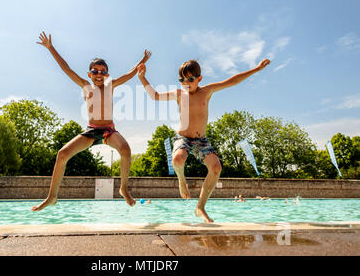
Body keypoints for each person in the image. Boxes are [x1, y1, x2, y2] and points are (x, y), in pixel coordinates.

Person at [138, 58, 270, 222]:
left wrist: (256, 69)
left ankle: (200, 207)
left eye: (190, 79)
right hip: (183, 138)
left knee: (216, 168)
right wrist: (142, 78)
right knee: (178, 160)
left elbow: (232, 81)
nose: (186, 83)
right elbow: (155, 96)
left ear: (199, 79)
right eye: (182, 80)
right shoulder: (179, 94)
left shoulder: (206, 91)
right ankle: (181, 181)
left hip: (201, 141)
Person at [32, 31, 151, 211]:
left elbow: (130, 73)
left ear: (107, 75)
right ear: (89, 74)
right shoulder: (85, 85)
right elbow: (67, 69)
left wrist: (143, 60)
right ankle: (52, 196)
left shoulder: (111, 85)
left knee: (125, 150)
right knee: (62, 154)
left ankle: (123, 189)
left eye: (103, 72)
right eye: (95, 71)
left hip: (109, 131)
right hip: (90, 131)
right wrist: (51, 48)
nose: (99, 74)